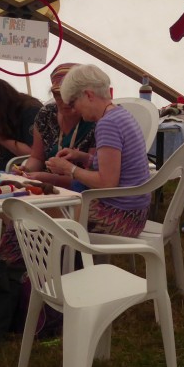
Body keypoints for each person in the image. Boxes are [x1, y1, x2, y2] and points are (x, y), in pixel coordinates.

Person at [45, 64, 151, 237]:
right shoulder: (120, 114)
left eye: (73, 103)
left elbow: (107, 183)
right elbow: (116, 166)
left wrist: (69, 169)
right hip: (135, 212)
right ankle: (69, 261)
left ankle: (40, 262)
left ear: (88, 95)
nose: (74, 110)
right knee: (49, 208)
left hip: (120, 217)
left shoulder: (107, 124)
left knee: (37, 213)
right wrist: (82, 157)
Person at [18, 62, 96, 189]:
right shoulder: (46, 114)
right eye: (57, 94)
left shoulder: (95, 119)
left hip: (80, 191)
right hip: (45, 185)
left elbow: (94, 175)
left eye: (69, 95)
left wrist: (51, 179)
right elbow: (37, 157)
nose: (64, 100)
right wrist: (26, 171)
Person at [0, 78, 42, 170]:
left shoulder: (31, 111)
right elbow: (5, 129)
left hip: (18, 165)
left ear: (0, 105)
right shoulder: (7, 108)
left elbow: (33, 153)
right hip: (5, 158)